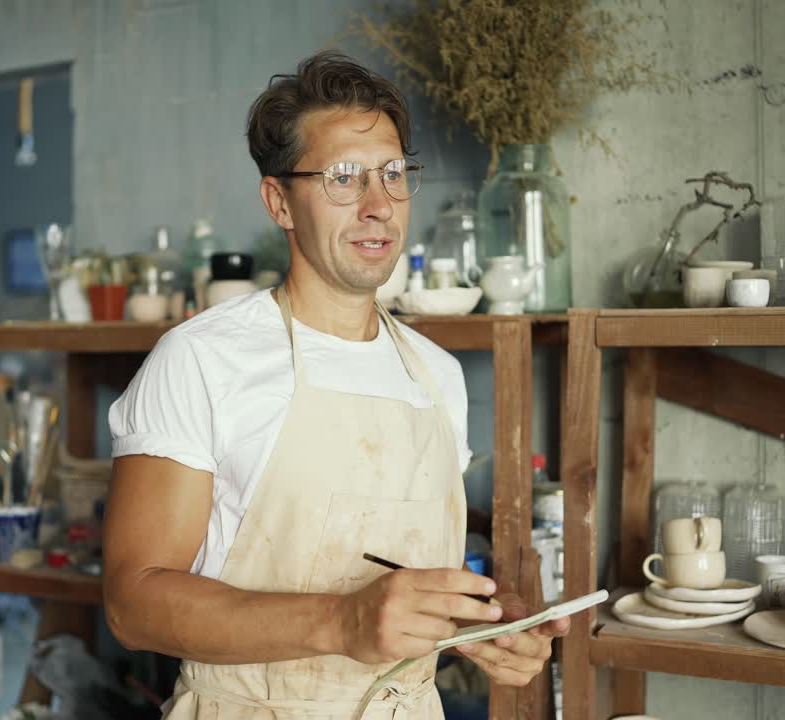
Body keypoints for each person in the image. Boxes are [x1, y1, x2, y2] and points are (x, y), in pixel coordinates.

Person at [102, 51, 567, 718]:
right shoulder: (202, 360)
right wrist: (342, 622)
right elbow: (132, 604)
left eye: (393, 175)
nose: (378, 206)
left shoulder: (437, 375)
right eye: (343, 179)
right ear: (280, 202)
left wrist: (482, 622)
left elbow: (400, 585)